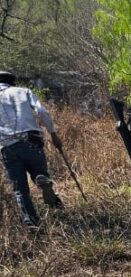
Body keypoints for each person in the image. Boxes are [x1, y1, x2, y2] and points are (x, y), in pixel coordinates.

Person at [0, 70, 64, 228]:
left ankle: (31, 221)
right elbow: (42, 111)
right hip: (30, 139)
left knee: (19, 189)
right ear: (11, 81)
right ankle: (42, 178)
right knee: (38, 170)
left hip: (6, 145)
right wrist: (53, 134)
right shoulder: (22, 91)